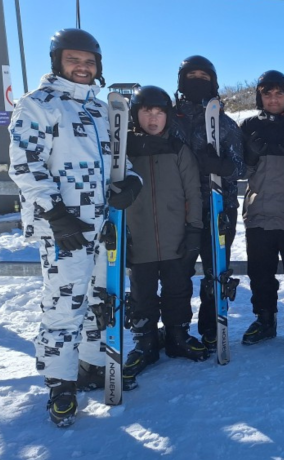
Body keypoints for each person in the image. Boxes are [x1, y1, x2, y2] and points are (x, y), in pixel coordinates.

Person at [8, 29, 142, 426]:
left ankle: (92, 362)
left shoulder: (102, 110)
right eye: (73, 60)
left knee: (102, 297)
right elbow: (24, 165)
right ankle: (60, 381)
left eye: (89, 61)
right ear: (57, 62)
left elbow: (119, 160)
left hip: (102, 224)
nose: (82, 68)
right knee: (64, 303)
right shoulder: (38, 105)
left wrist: (131, 181)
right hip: (63, 227)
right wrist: (54, 213)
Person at [122, 86, 207, 390]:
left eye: (159, 112)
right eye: (147, 111)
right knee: (141, 294)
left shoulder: (178, 149)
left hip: (175, 237)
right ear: (135, 114)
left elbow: (193, 193)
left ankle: (177, 336)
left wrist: (194, 230)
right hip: (139, 239)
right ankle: (145, 341)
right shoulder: (123, 153)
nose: (153, 118)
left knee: (177, 289)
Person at [169, 55, 245, 350]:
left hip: (218, 209)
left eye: (204, 76)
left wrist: (222, 166)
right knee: (178, 273)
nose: (197, 81)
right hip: (179, 210)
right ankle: (177, 329)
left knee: (216, 271)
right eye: (192, 76)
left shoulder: (225, 124)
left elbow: (241, 168)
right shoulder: (168, 119)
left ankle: (212, 326)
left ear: (213, 83)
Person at [239, 71, 284, 346]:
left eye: (279, 93)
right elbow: (239, 171)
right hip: (259, 213)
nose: (273, 98)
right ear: (260, 96)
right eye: (267, 93)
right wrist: (251, 156)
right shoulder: (247, 126)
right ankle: (264, 319)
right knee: (259, 273)